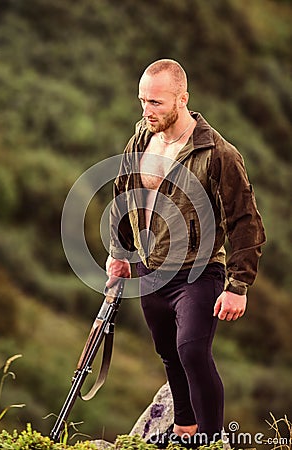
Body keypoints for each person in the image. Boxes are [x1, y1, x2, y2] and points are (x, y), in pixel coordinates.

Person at [106, 59, 266, 448]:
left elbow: (245, 221)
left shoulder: (218, 152)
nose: (146, 111)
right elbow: (123, 197)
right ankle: (185, 432)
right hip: (151, 270)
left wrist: (238, 286)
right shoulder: (141, 140)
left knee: (191, 349)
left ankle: (212, 443)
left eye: (156, 103)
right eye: (142, 101)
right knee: (168, 354)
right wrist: (120, 253)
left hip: (200, 271)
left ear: (183, 99)